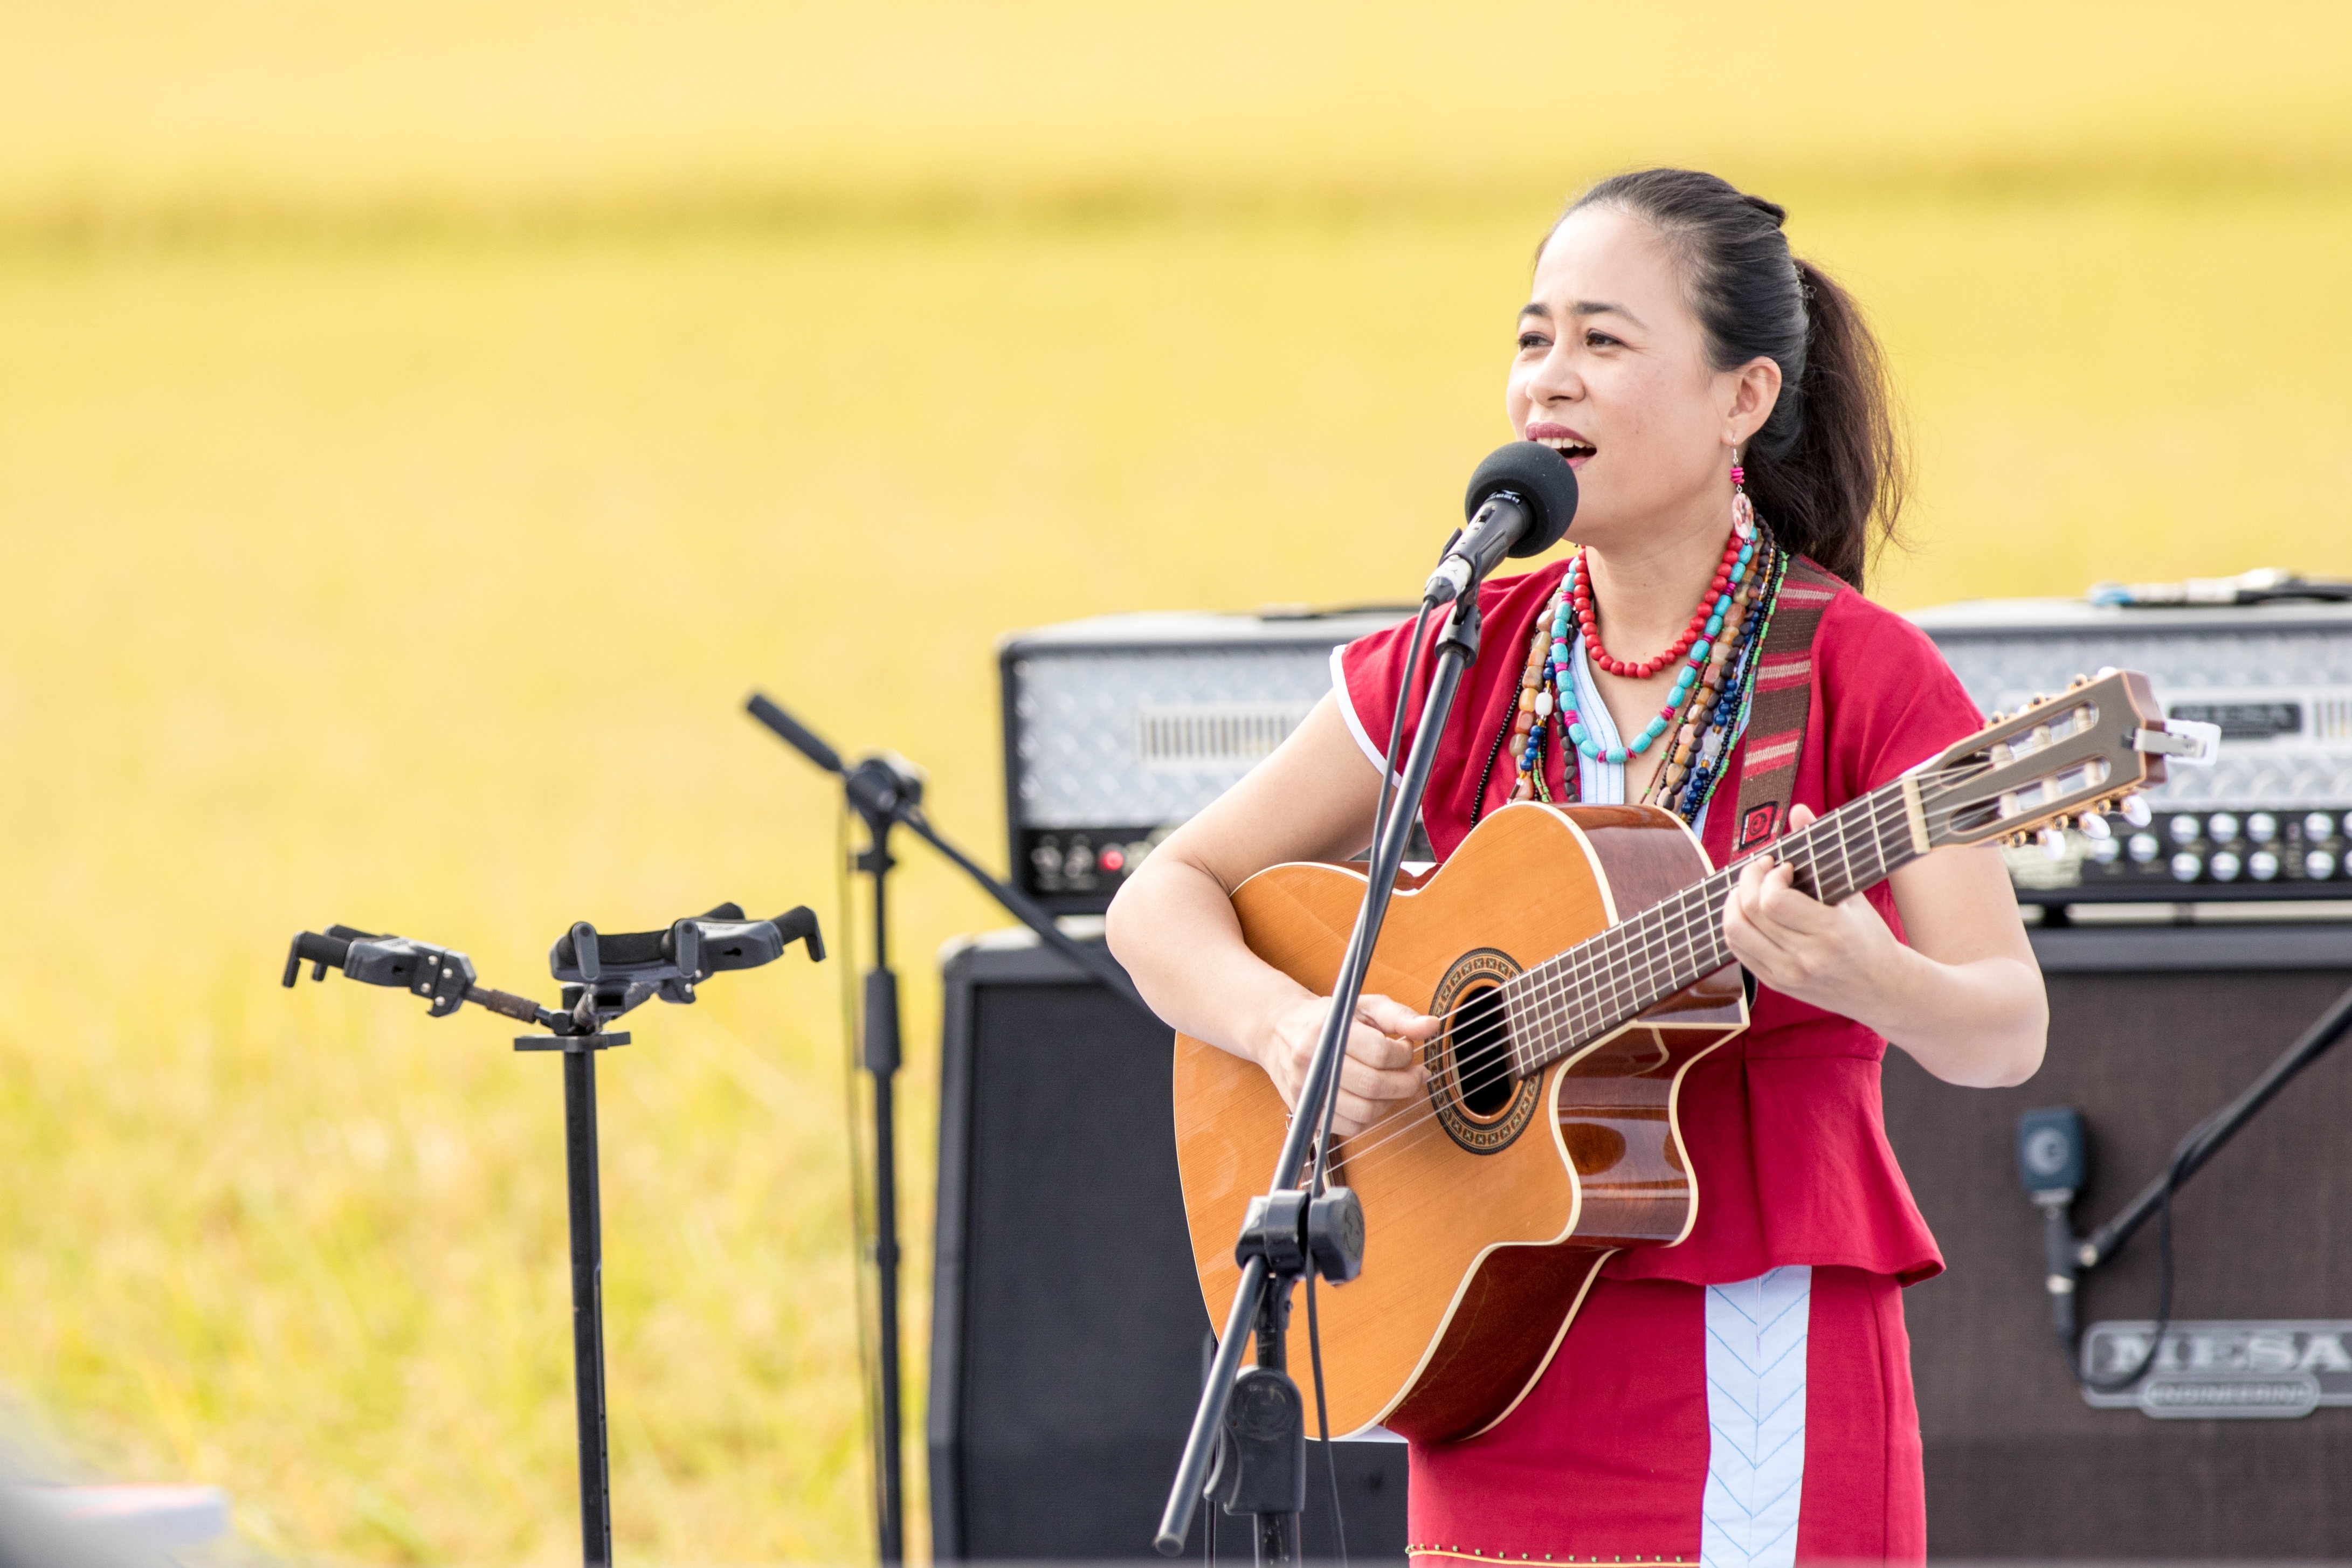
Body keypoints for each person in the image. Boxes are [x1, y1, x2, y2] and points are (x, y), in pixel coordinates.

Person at [1104, 169, 2048, 1566]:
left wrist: (1870, 976)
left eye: (1603, 343)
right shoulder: (1463, 652)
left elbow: (2003, 1027)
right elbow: (1157, 900)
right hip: (1485, 1324)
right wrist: (1288, 1027)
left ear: (1742, 397)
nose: (1548, 383)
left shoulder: (1857, 668)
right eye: (1531, 338)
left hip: (1746, 1322)